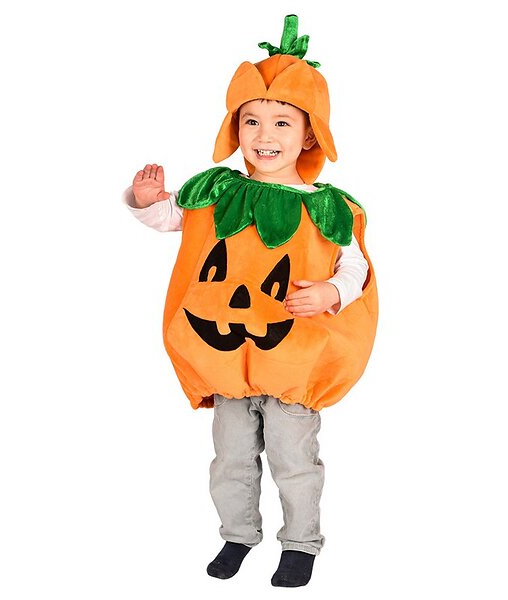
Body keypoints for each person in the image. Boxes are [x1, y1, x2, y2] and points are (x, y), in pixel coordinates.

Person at [124, 15, 378, 587]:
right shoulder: (217, 192)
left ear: (308, 135)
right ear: (235, 128)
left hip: (292, 364)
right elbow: (173, 220)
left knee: (295, 462)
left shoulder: (329, 207)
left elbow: (357, 268)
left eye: (282, 122)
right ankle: (237, 536)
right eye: (251, 120)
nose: (265, 134)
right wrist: (147, 200)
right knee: (230, 462)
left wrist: (331, 291)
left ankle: (300, 545)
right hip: (228, 365)